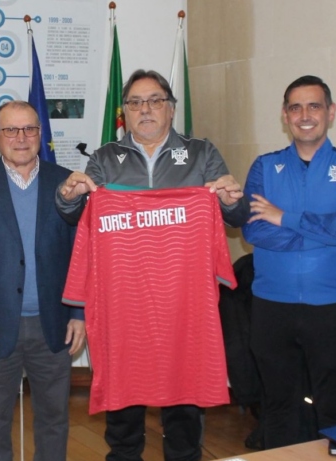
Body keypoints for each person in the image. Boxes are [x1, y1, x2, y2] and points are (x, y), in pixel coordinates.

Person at [57, 69, 247, 461]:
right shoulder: (105, 158)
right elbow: (79, 216)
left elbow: (234, 215)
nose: (145, 109)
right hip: (125, 302)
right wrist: (69, 196)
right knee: (124, 399)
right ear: (124, 112)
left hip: (183, 301)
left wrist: (231, 201)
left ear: (171, 108)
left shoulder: (201, 153)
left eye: (155, 100)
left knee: (184, 396)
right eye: (135, 103)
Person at [242, 75, 336, 449]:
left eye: (314, 106)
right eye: (296, 107)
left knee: (334, 410)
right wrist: (327, 228)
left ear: (330, 112)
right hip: (272, 306)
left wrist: (284, 217)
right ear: (285, 115)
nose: (305, 115)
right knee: (277, 408)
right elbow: (254, 230)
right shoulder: (265, 167)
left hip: (333, 307)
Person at [0, 100, 85, 461]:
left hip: (54, 324)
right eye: (11, 129)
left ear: (40, 134)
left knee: (54, 420)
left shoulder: (66, 184)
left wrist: (79, 313)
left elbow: (80, 254)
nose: (21, 137)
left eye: (29, 129)